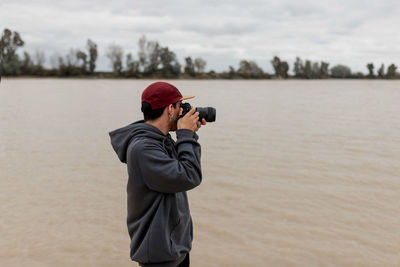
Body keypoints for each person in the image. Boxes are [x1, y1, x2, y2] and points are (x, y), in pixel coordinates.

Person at [109, 81, 206, 267]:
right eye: (180, 107)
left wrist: (189, 134)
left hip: (175, 249)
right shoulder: (144, 148)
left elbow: (185, 165)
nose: (183, 111)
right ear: (170, 109)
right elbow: (189, 175)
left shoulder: (161, 140)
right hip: (159, 256)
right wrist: (185, 134)